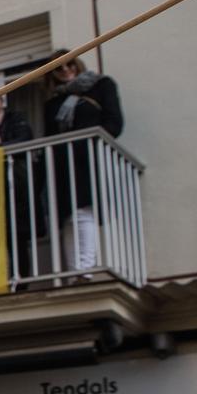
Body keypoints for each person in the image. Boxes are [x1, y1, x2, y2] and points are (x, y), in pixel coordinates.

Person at [44, 57, 124, 274]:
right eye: (58, 68)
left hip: (88, 159)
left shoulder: (101, 85)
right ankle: (75, 272)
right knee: (67, 217)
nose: (65, 70)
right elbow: (50, 134)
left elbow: (114, 123)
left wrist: (90, 141)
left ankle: (84, 270)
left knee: (83, 211)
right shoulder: (53, 102)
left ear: (78, 65)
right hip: (62, 164)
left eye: (69, 64)